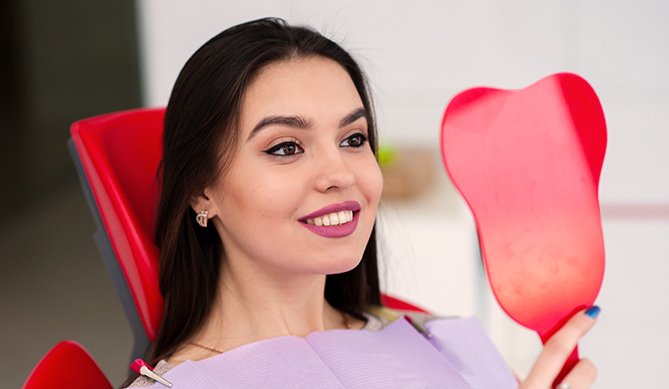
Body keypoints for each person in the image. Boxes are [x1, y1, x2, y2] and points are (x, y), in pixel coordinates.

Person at [126, 17, 598, 388]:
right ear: (200, 190)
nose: (341, 174)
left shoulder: (436, 340)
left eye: (353, 139)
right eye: (286, 147)